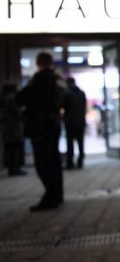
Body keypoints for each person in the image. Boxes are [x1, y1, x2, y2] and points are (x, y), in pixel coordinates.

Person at [16, 52, 66, 212]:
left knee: (43, 162)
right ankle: (57, 195)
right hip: (54, 124)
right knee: (54, 160)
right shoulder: (58, 80)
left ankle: (50, 197)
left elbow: (21, 98)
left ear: (38, 63)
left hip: (40, 125)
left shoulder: (40, 79)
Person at [0, 82, 27, 176]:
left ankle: (12, 168)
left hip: (7, 128)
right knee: (15, 148)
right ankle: (15, 168)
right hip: (14, 127)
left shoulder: (4, 98)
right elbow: (18, 112)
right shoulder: (11, 99)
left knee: (10, 148)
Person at [62, 77, 87, 170]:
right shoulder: (82, 93)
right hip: (80, 121)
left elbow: (62, 106)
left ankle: (70, 163)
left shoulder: (66, 94)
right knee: (80, 142)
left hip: (70, 122)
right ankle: (80, 161)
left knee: (70, 143)